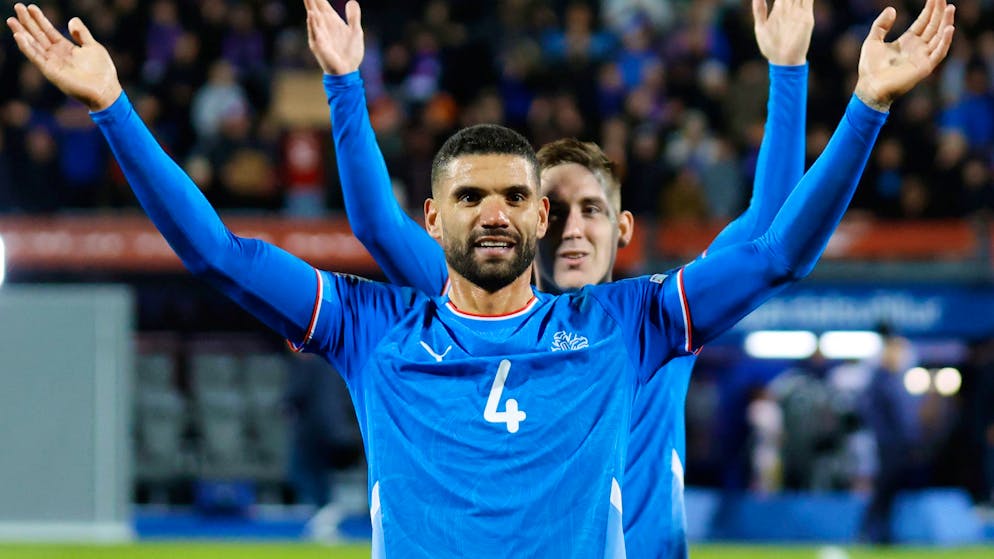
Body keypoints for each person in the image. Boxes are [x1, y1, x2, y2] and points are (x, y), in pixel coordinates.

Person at [8, 0, 954, 556]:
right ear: (436, 219)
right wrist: (114, 109)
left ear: (539, 216)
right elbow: (220, 253)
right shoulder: (373, 325)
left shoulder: (630, 323)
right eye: (469, 198)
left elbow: (774, 249)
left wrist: (862, 104)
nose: (494, 212)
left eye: (514, 195)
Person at [316, 0, 815, 556]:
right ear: (533, 220)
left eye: (593, 209)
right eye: (555, 208)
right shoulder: (472, 307)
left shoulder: (660, 320)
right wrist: (344, 81)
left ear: (623, 228)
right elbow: (379, 225)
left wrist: (788, 70)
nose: (573, 229)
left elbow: (771, 234)